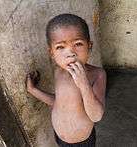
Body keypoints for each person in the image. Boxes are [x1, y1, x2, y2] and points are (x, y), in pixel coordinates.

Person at [26, 13, 106, 147]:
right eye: (60, 47)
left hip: (83, 141)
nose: (70, 53)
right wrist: (33, 90)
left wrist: (84, 85)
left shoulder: (97, 75)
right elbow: (59, 103)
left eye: (78, 44)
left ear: (89, 46)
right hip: (60, 137)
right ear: (52, 53)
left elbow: (96, 116)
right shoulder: (58, 72)